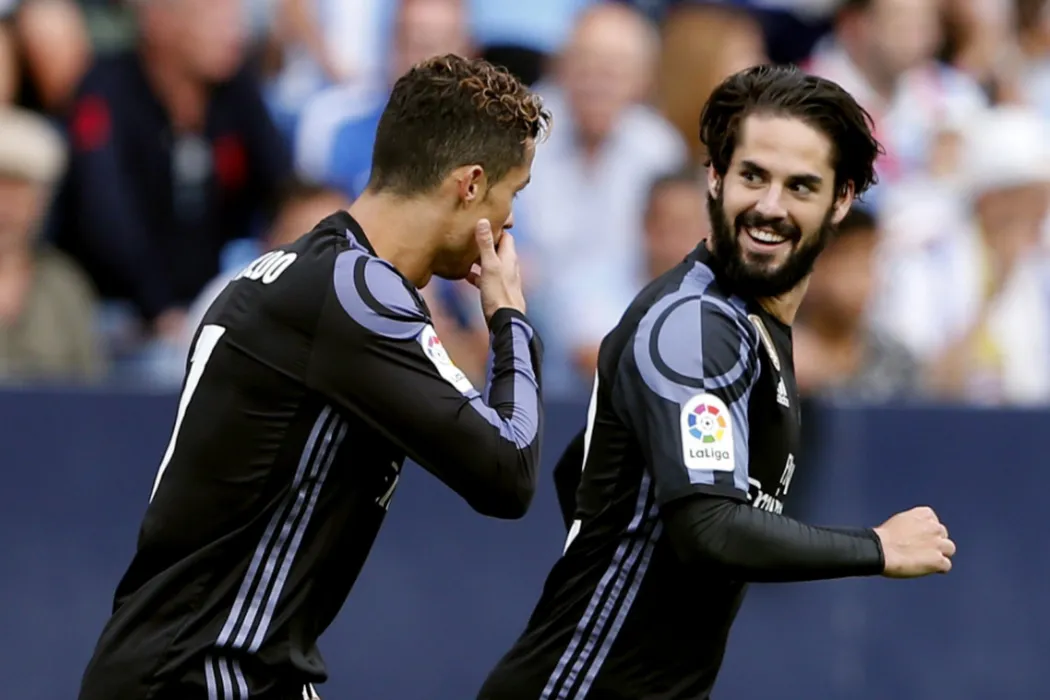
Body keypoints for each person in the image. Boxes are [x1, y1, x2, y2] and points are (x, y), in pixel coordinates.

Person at [78, 54, 550, 700]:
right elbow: (508, 466)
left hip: (188, 664)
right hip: (202, 674)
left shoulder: (294, 275)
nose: (512, 220)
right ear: (469, 185)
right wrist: (511, 321)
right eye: (513, 193)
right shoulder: (359, 296)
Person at [478, 64, 956, 700]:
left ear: (841, 200)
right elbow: (708, 527)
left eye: (801, 185)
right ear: (716, 177)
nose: (770, 206)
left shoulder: (753, 323)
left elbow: (580, 471)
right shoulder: (696, 324)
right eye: (753, 176)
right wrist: (878, 547)